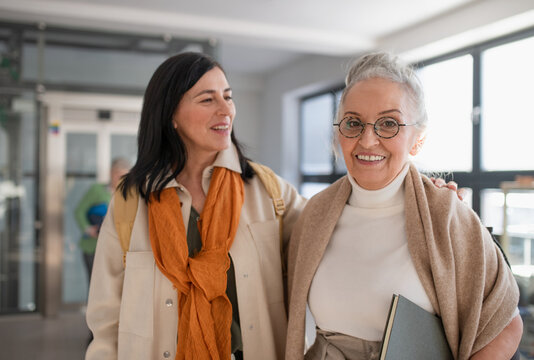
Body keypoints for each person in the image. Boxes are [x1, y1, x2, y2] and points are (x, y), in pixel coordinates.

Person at [285, 52, 522, 360]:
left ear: (417, 140)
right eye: (353, 122)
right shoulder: (313, 216)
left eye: (389, 124)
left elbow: (504, 324)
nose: (368, 140)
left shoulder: (448, 216)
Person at [85, 52, 306, 360]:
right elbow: (106, 320)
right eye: (207, 99)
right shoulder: (130, 200)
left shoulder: (267, 189)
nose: (225, 109)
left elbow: (326, 244)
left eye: (227, 96)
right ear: (170, 115)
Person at [75, 157, 130, 284]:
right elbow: (79, 211)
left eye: (124, 175)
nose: (120, 178)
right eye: (117, 174)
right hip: (93, 247)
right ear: (111, 173)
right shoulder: (97, 190)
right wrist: (88, 229)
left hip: (116, 250)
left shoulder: (128, 194)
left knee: (112, 288)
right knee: (95, 285)